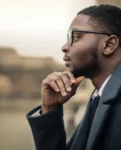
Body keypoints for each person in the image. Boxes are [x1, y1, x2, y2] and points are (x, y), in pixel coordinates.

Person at [27, 4, 121, 150]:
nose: (64, 47)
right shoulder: (97, 99)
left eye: (75, 37)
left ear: (109, 44)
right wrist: (50, 108)